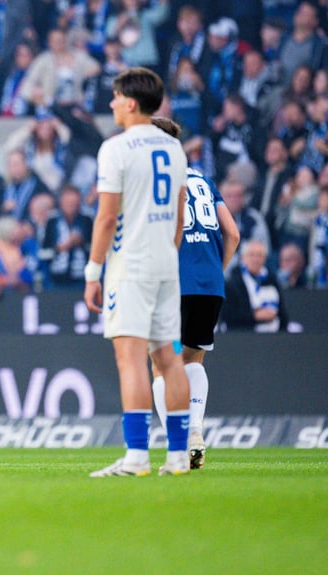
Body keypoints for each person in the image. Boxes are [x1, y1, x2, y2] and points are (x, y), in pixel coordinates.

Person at [83, 67, 191, 477]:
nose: (111, 104)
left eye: (114, 97)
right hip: (166, 262)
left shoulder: (116, 148)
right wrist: (167, 251)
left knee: (130, 359)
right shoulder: (174, 147)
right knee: (169, 358)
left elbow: (106, 217)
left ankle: (137, 457)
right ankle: (179, 457)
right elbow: (179, 216)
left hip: (131, 265)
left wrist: (93, 271)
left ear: (130, 103)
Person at [149, 116, 240, 471]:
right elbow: (232, 233)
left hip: (173, 282)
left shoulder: (157, 180)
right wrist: (215, 271)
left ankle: (178, 443)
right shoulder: (203, 180)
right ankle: (196, 432)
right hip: (209, 286)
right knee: (193, 360)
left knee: (161, 364)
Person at [223, 239, 289, 332]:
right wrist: (254, 316)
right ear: (243, 257)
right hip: (244, 337)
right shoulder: (232, 283)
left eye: (259, 255)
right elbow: (229, 316)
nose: (255, 259)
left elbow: (282, 313)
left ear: (265, 258)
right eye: (251, 255)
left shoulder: (272, 280)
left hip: (273, 335)